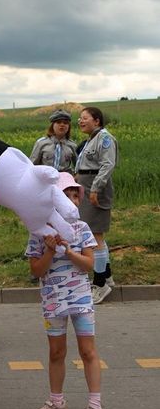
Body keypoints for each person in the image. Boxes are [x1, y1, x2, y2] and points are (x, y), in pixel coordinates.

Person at [26, 172, 106, 409]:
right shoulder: (39, 232)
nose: (71, 201)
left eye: (75, 195)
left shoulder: (81, 229)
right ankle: (57, 404)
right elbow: (36, 271)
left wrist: (69, 250)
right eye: (65, 195)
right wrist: (49, 249)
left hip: (80, 298)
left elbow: (89, 265)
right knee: (56, 352)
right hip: (52, 299)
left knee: (87, 352)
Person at [75, 106, 118, 304]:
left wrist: (95, 189)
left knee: (94, 236)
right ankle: (107, 275)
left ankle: (100, 284)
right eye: (79, 118)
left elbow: (107, 165)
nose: (80, 121)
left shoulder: (104, 138)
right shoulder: (91, 139)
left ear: (97, 121)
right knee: (96, 234)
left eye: (84, 118)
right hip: (87, 185)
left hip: (95, 188)